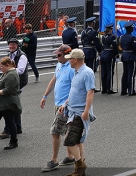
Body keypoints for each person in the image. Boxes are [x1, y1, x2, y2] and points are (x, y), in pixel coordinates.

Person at [38, 45, 76, 172]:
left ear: (67, 55)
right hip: (57, 103)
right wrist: (45, 96)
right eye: (57, 55)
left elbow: (74, 89)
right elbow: (54, 80)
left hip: (65, 105)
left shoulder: (71, 69)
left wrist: (66, 103)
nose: (57, 57)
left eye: (59, 55)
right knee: (66, 130)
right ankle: (70, 156)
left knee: (55, 131)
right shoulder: (59, 65)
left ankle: (54, 160)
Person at [59, 48, 95, 176]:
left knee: (69, 141)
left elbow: (90, 92)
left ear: (75, 59)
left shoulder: (87, 73)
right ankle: (79, 171)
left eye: (70, 59)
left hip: (80, 113)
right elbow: (74, 91)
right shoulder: (76, 72)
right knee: (78, 141)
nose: (68, 61)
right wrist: (65, 104)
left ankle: (80, 165)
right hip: (73, 111)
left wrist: (86, 111)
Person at [2, 38, 29, 138]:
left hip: (19, 83)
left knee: (9, 104)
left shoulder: (22, 56)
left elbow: (21, 70)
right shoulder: (9, 55)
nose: (11, 46)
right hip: (12, 83)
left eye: (13, 45)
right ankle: (17, 127)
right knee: (14, 104)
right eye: (10, 45)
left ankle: (8, 129)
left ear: (17, 46)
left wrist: (8, 70)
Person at [119, 24, 136, 96]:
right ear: (130, 29)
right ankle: (131, 90)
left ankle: (123, 90)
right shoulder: (132, 38)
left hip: (124, 55)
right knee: (131, 74)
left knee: (125, 73)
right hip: (131, 56)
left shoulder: (122, 37)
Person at [99, 25, 118, 94]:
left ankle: (104, 88)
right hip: (109, 54)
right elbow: (115, 46)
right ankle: (109, 88)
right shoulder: (112, 37)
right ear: (110, 29)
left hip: (103, 54)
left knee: (104, 72)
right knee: (109, 71)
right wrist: (116, 54)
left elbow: (102, 45)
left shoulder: (103, 36)